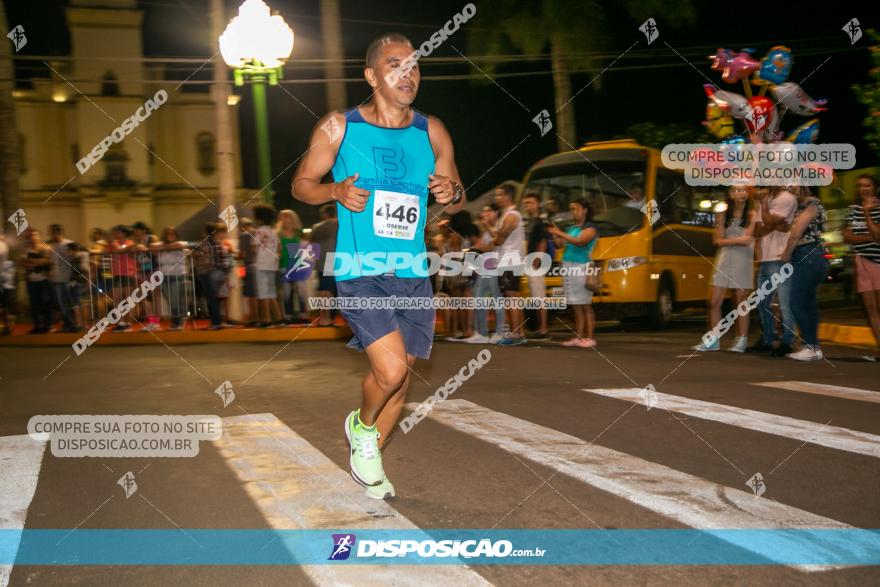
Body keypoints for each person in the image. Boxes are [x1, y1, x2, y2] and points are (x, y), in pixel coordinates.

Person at [292, 32, 465, 500]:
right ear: (371, 75)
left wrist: (451, 195)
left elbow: (455, 191)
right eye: (395, 65)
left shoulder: (432, 130)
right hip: (360, 268)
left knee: (402, 380)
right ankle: (361, 426)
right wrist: (334, 191)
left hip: (412, 272)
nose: (408, 74)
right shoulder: (339, 126)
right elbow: (302, 184)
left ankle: (370, 459)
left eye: (414, 66)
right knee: (388, 374)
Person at [694, 185, 757, 352]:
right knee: (714, 301)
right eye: (736, 190)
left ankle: (741, 339)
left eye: (743, 190)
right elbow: (717, 240)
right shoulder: (722, 213)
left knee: (740, 300)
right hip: (723, 259)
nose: (740, 193)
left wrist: (727, 241)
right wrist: (736, 240)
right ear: (730, 194)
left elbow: (747, 240)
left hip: (742, 260)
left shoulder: (752, 214)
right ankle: (713, 339)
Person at [747, 186, 798, 356]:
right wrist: (772, 222)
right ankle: (768, 339)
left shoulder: (787, 198)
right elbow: (756, 231)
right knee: (762, 303)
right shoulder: (766, 199)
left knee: (785, 304)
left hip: (780, 258)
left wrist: (764, 209)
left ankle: (787, 342)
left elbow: (767, 224)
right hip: (765, 259)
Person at [782, 186, 829, 361]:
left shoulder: (811, 204)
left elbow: (796, 234)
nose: (790, 187)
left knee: (797, 301)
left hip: (807, 254)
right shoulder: (804, 205)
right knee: (808, 303)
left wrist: (786, 253)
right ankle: (813, 347)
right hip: (812, 255)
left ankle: (810, 345)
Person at [549, 198, 599, 347]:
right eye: (571, 209)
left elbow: (580, 241)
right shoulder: (572, 228)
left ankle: (589, 338)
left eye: (575, 208)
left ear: (584, 210)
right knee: (575, 304)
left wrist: (560, 233)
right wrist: (554, 233)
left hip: (582, 267)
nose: (573, 212)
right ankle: (579, 336)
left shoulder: (591, 228)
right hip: (569, 267)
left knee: (585, 304)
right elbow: (559, 245)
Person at [843, 174, 880, 361]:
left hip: (878, 262)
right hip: (861, 260)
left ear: (875, 188)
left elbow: (877, 235)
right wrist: (869, 237)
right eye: (860, 186)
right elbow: (847, 235)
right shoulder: (853, 209)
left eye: (868, 185)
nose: (863, 189)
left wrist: (867, 213)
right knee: (870, 308)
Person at [485, 183, 526, 345]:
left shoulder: (512, 215)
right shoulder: (507, 215)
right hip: (507, 261)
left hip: (510, 261)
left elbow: (499, 239)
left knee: (511, 297)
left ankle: (516, 334)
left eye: (499, 195)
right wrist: (488, 226)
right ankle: (519, 332)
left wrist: (494, 236)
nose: (496, 198)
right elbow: (498, 238)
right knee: (512, 296)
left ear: (507, 196)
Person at [464, 204, 506, 343]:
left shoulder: (500, 226)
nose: (485, 213)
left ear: (496, 212)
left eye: (488, 211)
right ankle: (481, 333)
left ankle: (500, 333)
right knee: (478, 298)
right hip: (484, 268)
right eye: (484, 211)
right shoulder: (486, 231)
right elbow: (479, 246)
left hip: (495, 267)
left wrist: (487, 226)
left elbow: (496, 243)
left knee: (496, 299)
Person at [442, 211, 478, 341]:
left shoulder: (452, 235)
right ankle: (469, 330)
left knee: (459, 303)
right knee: (468, 301)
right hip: (466, 268)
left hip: (454, 271)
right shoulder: (467, 235)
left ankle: (463, 330)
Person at [522, 192, 550, 339]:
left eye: (531, 202)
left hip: (535, 263)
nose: (528, 205)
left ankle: (543, 330)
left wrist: (537, 260)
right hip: (530, 262)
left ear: (538, 204)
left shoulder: (539, 222)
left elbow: (543, 241)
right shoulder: (531, 222)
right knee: (536, 297)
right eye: (526, 203)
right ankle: (540, 328)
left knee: (540, 297)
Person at [192, 222, 229, 330]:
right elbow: (224, 259)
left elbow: (203, 258)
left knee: (211, 299)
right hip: (219, 273)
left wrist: (195, 254)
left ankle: (215, 323)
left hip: (209, 273)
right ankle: (217, 322)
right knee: (215, 299)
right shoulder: (219, 243)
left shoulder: (206, 243)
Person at [152, 227, 189, 331]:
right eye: (168, 234)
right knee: (170, 301)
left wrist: (163, 247)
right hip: (164, 276)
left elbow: (179, 245)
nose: (170, 235)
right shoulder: (161, 245)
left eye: (173, 233)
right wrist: (164, 247)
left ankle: (178, 323)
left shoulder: (181, 243)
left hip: (177, 275)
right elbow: (152, 248)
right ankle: (176, 322)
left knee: (176, 301)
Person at [252, 203, 283, 327]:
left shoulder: (259, 231)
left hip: (261, 265)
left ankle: (266, 320)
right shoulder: (273, 231)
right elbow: (279, 248)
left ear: (259, 219)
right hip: (272, 265)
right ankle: (278, 318)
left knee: (263, 293)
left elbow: (254, 248)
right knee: (271, 292)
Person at [310, 204, 338, 326]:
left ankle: (323, 317)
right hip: (335, 260)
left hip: (321, 261)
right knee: (329, 291)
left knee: (323, 290)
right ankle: (327, 318)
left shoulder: (316, 227)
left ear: (325, 214)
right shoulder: (339, 225)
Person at [47, 224, 78, 332]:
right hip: (55, 277)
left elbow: (74, 256)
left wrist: (72, 253)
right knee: (59, 303)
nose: (50, 234)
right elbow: (51, 261)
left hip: (64, 278)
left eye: (51, 232)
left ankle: (71, 324)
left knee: (63, 302)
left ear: (57, 232)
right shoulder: (52, 245)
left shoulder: (68, 243)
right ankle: (68, 324)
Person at [23, 229, 52, 334]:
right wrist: (39, 262)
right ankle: (37, 326)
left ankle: (47, 326)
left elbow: (48, 261)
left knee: (45, 303)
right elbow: (24, 263)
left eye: (35, 235)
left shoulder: (45, 248)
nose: (33, 237)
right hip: (31, 280)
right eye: (31, 236)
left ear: (39, 236)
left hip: (43, 280)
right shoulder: (27, 249)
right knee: (34, 304)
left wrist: (33, 262)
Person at [132, 221, 160, 330]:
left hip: (153, 269)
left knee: (155, 295)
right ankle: (151, 321)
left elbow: (155, 251)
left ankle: (156, 322)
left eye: (136, 229)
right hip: (142, 271)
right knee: (143, 296)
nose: (134, 232)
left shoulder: (151, 238)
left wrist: (144, 248)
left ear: (143, 230)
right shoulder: (136, 241)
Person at [108, 225, 137, 331]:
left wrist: (118, 247)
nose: (115, 234)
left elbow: (120, 249)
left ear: (124, 233)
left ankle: (128, 322)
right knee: (116, 299)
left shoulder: (130, 242)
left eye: (118, 232)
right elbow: (113, 250)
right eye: (115, 232)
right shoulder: (113, 243)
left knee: (128, 299)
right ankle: (120, 322)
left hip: (128, 273)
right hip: (116, 273)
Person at [238, 217, 258, 326]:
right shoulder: (259, 233)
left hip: (247, 266)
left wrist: (236, 256)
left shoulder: (244, 236)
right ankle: (259, 315)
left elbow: (242, 254)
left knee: (249, 292)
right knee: (258, 292)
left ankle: (252, 316)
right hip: (261, 267)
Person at [0, 235, 16, 335]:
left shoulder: (2, 245)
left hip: (4, 280)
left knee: (4, 305)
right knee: (3, 306)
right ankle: (7, 325)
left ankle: (7, 326)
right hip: (4, 279)